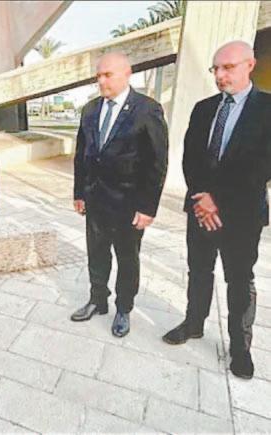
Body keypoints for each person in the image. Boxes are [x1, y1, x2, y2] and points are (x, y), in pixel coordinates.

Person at [162, 41, 271, 379]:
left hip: (242, 214)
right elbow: (190, 157)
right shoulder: (204, 108)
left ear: (250, 65)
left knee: (239, 279)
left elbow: (262, 167)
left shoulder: (267, 109)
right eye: (216, 69)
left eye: (228, 67)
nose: (220, 75)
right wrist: (201, 197)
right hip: (200, 209)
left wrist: (216, 199)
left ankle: (240, 347)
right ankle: (194, 323)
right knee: (199, 269)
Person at [71, 52, 169, 337]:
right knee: (96, 253)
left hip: (128, 204)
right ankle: (97, 299)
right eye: (98, 76)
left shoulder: (146, 109)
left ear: (127, 74)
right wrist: (79, 193)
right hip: (95, 200)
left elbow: (157, 162)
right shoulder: (90, 109)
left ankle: (124, 308)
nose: (101, 81)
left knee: (127, 258)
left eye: (108, 75)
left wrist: (148, 207)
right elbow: (82, 154)